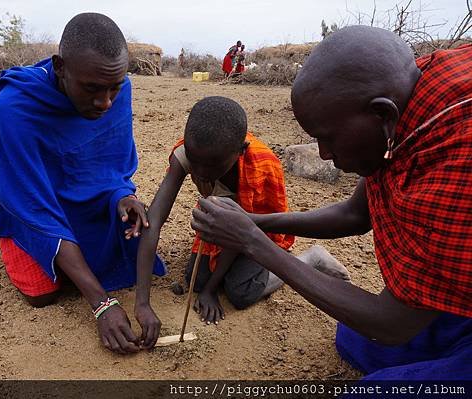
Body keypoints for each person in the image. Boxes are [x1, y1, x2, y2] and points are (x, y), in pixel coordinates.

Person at [191, 25, 472, 379]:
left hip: (397, 320)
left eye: (327, 138)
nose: (324, 154)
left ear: (382, 115)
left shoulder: (455, 167)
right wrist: (256, 221)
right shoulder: (413, 100)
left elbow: (391, 325)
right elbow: (356, 214)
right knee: (353, 336)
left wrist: (252, 240)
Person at [0, 13, 165, 355]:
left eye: (115, 87)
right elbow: (27, 200)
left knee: (124, 255)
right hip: (30, 204)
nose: (106, 102)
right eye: (93, 89)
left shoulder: (115, 90)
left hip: (87, 199)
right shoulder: (16, 107)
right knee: (43, 295)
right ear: (60, 67)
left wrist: (123, 196)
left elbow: (111, 165)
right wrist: (101, 304)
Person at [135, 96, 349, 348]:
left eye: (212, 165)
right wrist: (142, 304)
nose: (201, 172)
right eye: (196, 161)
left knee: (240, 293)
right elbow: (155, 220)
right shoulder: (189, 152)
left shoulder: (261, 167)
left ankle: (310, 259)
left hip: (258, 229)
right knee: (197, 279)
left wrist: (211, 290)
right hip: (224, 221)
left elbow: (242, 233)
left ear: (240, 151)